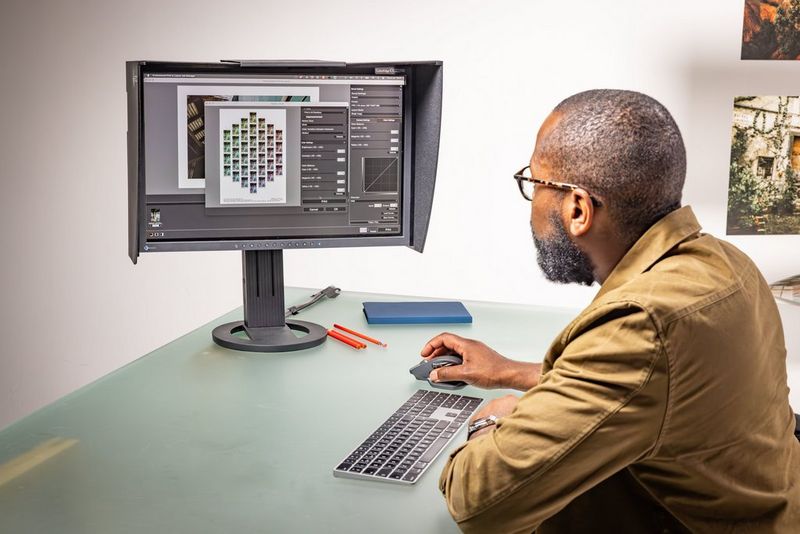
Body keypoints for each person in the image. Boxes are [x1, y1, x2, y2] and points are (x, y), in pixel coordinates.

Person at [421, 90, 800, 533]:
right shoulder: (723, 262)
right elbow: (659, 390)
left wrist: (492, 420)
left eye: (535, 184)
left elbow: (478, 503)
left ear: (577, 208)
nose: (532, 208)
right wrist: (509, 372)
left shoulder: (644, 323)